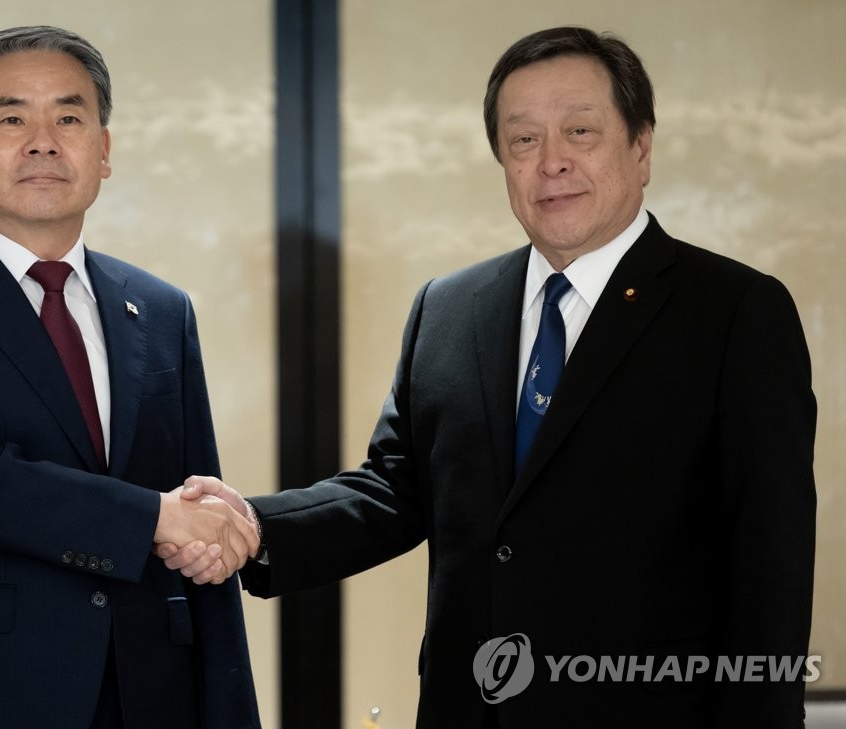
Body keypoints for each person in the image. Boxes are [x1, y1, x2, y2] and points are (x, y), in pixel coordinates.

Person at [162, 26, 817, 728]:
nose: (552, 162)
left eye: (581, 131)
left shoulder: (734, 312)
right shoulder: (449, 308)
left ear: (642, 147)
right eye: (523, 140)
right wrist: (257, 525)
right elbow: (394, 488)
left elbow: (770, 567)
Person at [0, 25, 260, 729]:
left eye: (69, 117)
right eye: (11, 118)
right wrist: (157, 517)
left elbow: (198, 529)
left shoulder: (160, 310)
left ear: (103, 151)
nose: (43, 141)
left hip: (152, 693)